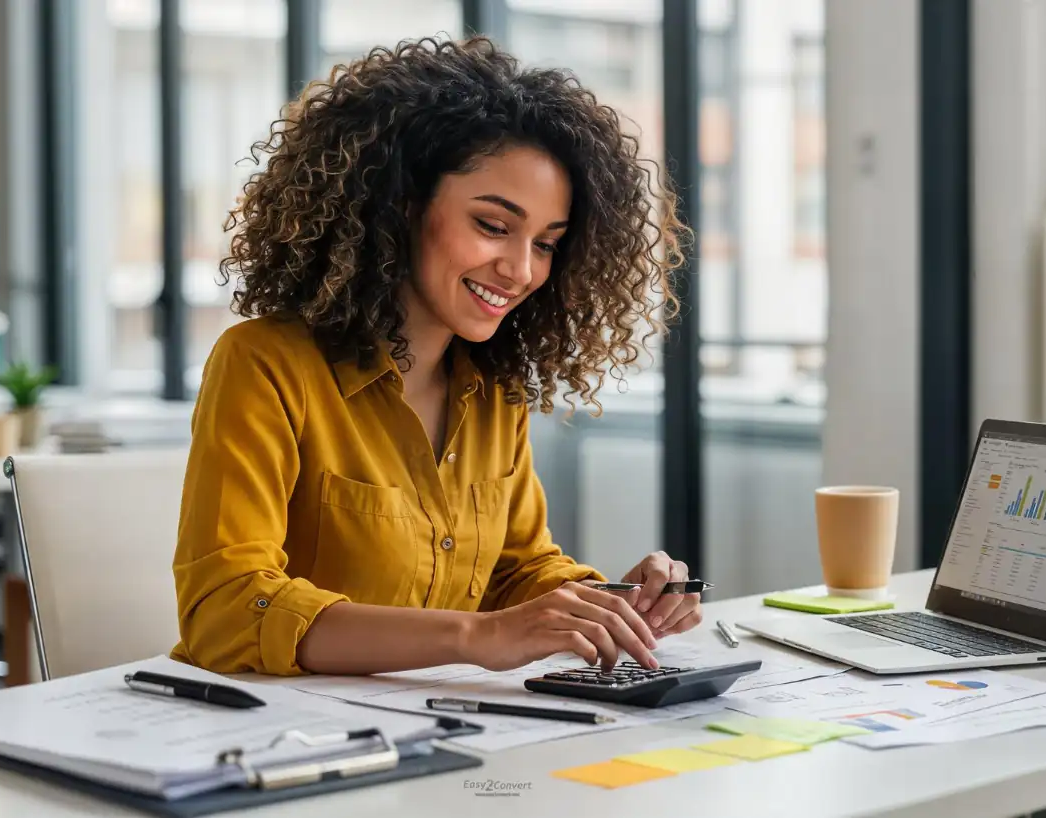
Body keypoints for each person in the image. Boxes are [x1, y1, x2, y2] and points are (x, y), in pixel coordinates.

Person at [170, 36, 698, 680]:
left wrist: (617, 603)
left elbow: (516, 571)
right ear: (401, 205)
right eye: (494, 226)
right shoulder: (266, 363)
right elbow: (224, 610)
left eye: (547, 244)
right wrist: (475, 637)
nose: (521, 269)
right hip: (275, 735)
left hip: (437, 728)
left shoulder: (493, 389)